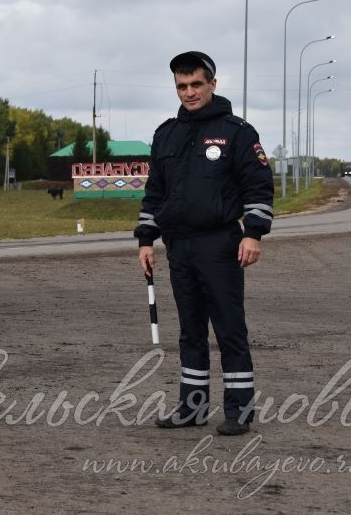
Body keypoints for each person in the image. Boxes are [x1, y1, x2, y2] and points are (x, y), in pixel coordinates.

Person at [135, 51, 273, 436]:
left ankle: (239, 412)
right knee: (190, 330)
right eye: (182, 86)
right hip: (179, 246)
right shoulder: (166, 134)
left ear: (212, 83)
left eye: (197, 84)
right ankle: (192, 408)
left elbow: (259, 187)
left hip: (220, 245)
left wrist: (253, 233)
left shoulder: (238, 132)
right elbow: (155, 193)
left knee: (229, 329)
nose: (189, 92)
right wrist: (146, 240)